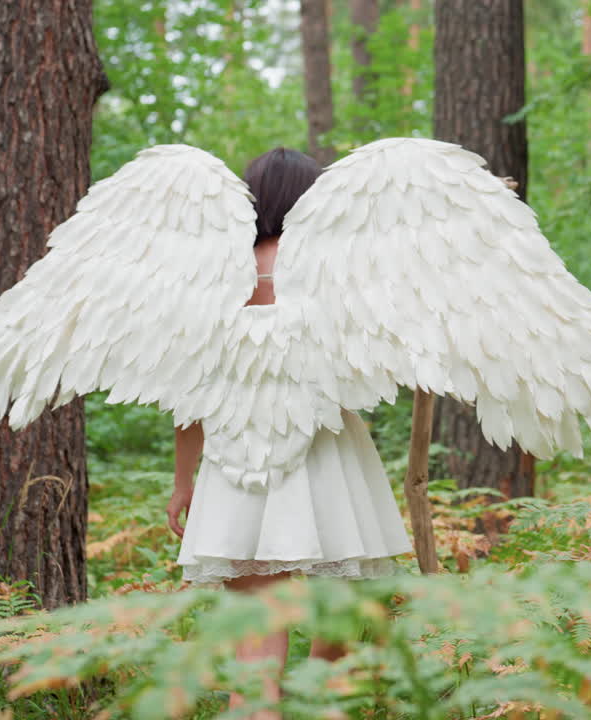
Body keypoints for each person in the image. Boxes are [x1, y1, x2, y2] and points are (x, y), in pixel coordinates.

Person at [164, 147, 414, 718]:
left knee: (255, 651)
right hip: (325, 448)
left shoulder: (215, 275)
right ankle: (322, 699)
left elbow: (189, 393)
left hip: (235, 452)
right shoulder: (333, 270)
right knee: (345, 612)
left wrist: (183, 482)